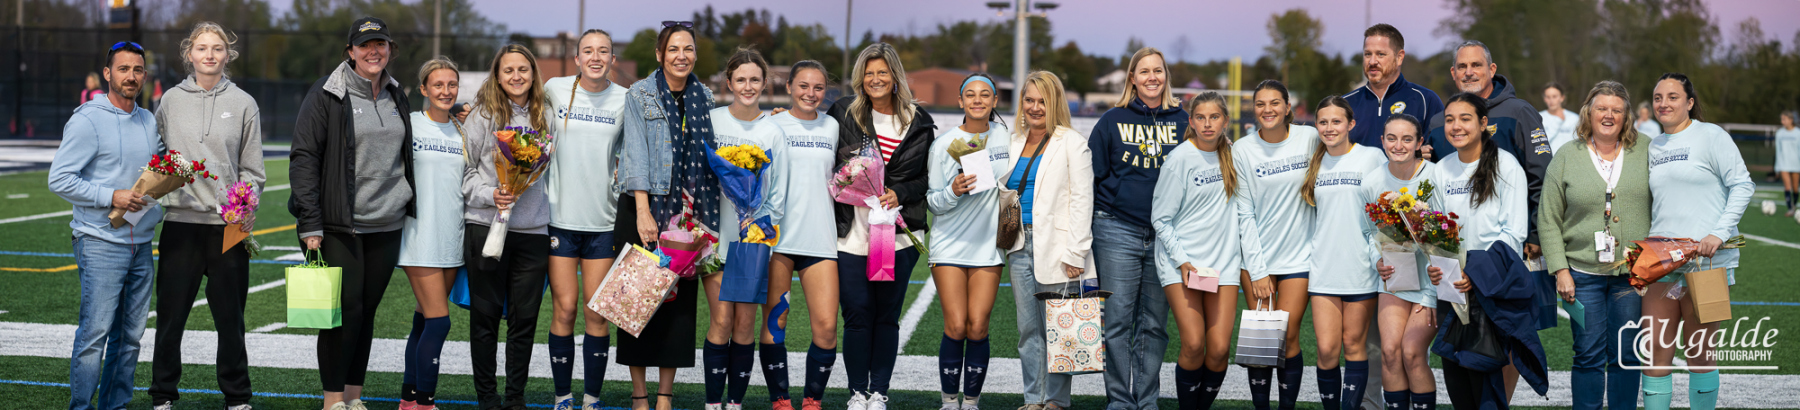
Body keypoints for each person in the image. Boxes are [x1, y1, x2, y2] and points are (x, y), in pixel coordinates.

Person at [288, 17, 416, 410]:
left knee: (367, 312)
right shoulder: (327, 93)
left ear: (390, 49)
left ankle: (354, 397)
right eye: (365, 45)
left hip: (387, 222)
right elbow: (304, 157)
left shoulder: (397, 94)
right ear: (350, 52)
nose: (373, 51)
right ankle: (332, 400)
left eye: (380, 44)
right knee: (343, 311)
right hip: (339, 224)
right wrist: (310, 222)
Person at [148, 22, 265, 410]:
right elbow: (158, 156)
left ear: (227, 55)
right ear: (189, 54)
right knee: (169, 319)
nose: (210, 54)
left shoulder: (245, 102)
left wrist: (243, 206)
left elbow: (253, 170)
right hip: (181, 225)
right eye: (202, 48)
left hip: (228, 229)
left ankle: (237, 397)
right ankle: (163, 394)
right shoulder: (169, 101)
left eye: (217, 48)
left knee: (230, 322)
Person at [826, 42, 937, 410]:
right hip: (852, 233)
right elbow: (824, 159)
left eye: (882, 73)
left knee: (887, 316)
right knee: (857, 313)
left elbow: (925, 178)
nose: (875, 79)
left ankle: (879, 392)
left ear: (894, 77)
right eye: (869, 73)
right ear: (861, 78)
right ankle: (857, 392)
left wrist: (898, 192)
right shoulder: (844, 112)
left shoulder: (918, 121)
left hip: (897, 234)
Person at [49, 40, 160, 410]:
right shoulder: (87, 119)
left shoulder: (147, 119)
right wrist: (110, 196)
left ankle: (115, 405)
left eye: (138, 70)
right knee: (95, 335)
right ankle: (80, 407)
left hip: (141, 245)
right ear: (108, 74)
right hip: (98, 241)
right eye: (124, 69)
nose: (131, 76)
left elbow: (156, 175)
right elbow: (59, 179)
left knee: (130, 338)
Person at [617, 21, 717, 410]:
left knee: (679, 308)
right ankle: (639, 394)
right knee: (639, 305)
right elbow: (635, 154)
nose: (681, 56)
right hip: (645, 209)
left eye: (688, 49)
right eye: (673, 49)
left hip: (687, 215)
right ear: (660, 54)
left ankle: (665, 396)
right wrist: (643, 211)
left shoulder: (704, 96)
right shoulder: (640, 94)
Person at [1640, 73, 1753, 410]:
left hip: (1708, 264)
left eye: (1673, 97)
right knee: (1655, 349)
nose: (1664, 104)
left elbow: (1743, 185)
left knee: (1700, 351)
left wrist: (1718, 233)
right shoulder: (1653, 145)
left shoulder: (1711, 135)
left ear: (1689, 102)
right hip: (1660, 262)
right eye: (1658, 97)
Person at [1539, 80, 1649, 410]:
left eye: (1617, 110)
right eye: (1602, 108)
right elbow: (1548, 217)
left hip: (1632, 277)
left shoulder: (1646, 149)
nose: (1608, 115)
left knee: (1627, 353)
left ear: (1626, 115)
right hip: (1581, 275)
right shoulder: (1567, 155)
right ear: (1588, 111)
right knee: (1587, 354)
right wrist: (1560, 270)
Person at [1087, 47, 1184, 410]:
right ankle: (1119, 400)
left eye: (1158, 70)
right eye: (1144, 72)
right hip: (1116, 230)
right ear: (1132, 78)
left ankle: (1147, 400)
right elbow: (1091, 178)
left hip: (1166, 236)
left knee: (1155, 325)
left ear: (1166, 75)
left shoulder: (1184, 122)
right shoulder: (1112, 120)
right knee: (1117, 322)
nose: (1152, 77)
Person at [461, 43, 555, 410]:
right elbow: (465, 175)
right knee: (485, 319)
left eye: (523, 70)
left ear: (533, 74)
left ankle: (515, 398)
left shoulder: (546, 114)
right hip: (485, 227)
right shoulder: (482, 115)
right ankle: (487, 397)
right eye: (508, 71)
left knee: (524, 321)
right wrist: (491, 194)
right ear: (497, 76)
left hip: (532, 231)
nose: (516, 77)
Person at [1427, 93, 1534, 410]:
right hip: (1453, 291)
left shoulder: (1507, 165)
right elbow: (1436, 233)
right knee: (1458, 386)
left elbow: (1513, 233)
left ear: (1484, 123)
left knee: (1485, 389)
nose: (1455, 126)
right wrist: (1437, 268)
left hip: (1490, 291)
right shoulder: (1441, 170)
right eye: (1449, 119)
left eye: (1465, 118)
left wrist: (1476, 273)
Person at [541, 29, 627, 410]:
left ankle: (591, 399)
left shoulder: (627, 99)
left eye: (603, 51)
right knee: (565, 308)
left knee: (596, 313)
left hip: (603, 221)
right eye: (588, 51)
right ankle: (563, 397)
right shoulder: (554, 89)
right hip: (559, 218)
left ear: (612, 58)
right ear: (576, 59)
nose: (595, 56)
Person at [757, 59, 844, 410]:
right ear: (790, 86)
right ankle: (780, 399)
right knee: (775, 322)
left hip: (820, 240)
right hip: (778, 241)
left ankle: (812, 399)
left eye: (818, 87)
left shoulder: (834, 127)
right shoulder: (770, 124)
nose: (811, 93)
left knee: (825, 327)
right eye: (804, 86)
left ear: (826, 91)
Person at [1153, 91, 1247, 410]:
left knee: (1219, 350)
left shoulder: (1234, 155)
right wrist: (1182, 260)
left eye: (1214, 117)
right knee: (1194, 344)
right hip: (1185, 265)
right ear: (1191, 121)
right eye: (1200, 118)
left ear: (1225, 120)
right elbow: (1160, 218)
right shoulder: (1180, 159)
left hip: (1222, 266)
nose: (1207, 124)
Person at [1007, 71, 1094, 410]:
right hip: (1019, 247)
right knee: (1029, 330)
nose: (1035, 107)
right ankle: (1033, 399)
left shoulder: (1072, 141)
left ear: (1055, 102)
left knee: (1060, 328)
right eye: (1029, 99)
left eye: (1042, 100)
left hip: (1059, 250)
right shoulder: (1014, 140)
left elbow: (1083, 200)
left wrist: (1077, 252)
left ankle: (1056, 400)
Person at [925, 72, 1009, 410]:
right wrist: (953, 191)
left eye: (984, 94)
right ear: (960, 101)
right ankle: (949, 401)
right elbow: (931, 202)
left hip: (989, 245)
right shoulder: (943, 144)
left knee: (978, 326)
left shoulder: (1006, 137)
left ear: (994, 101)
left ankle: (971, 401)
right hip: (949, 244)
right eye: (970, 94)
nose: (977, 100)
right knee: (956, 325)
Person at [1233, 79, 1318, 410]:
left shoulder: (1309, 139)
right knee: (1261, 338)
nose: (1267, 109)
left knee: (1288, 336)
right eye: (1260, 104)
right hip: (1256, 260)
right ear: (1253, 109)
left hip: (1298, 258)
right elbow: (1244, 215)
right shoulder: (1242, 150)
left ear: (1288, 108)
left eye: (1274, 103)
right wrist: (1257, 270)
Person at [704, 48, 781, 410]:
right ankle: (712, 402)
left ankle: (734, 403)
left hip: (751, 241)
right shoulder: (712, 121)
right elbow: (699, 176)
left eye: (754, 79)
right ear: (729, 83)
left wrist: (756, 221)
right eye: (740, 80)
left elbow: (778, 190)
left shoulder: (773, 130)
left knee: (744, 326)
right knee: (720, 320)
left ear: (764, 83)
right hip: (715, 239)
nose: (747, 86)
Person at [1302, 95, 1388, 410]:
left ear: (1351, 124)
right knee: (1326, 349)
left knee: (1354, 344)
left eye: (1336, 121)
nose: (1329, 127)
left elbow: (1401, 191)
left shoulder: (1371, 157)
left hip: (1361, 267)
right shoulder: (1314, 159)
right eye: (1322, 122)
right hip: (1323, 267)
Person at [397, 57, 463, 410]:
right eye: (438, 85)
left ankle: (408, 400)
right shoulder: (409, 126)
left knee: (424, 319)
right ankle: (425, 403)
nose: (445, 91)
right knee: (439, 321)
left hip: (453, 237)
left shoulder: (463, 129)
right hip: (418, 236)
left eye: (451, 85)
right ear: (424, 89)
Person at [1366, 114, 1439, 410]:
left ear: (1420, 143)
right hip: (1396, 277)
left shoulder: (1436, 176)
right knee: (1390, 353)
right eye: (1392, 138)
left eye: (1407, 139)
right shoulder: (1373, 181)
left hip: (1432, 282)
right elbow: (1368, 232)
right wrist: (1377, 260)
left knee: (1411, 352)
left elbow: (1453, 234)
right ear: (1382, 141)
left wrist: (1436, 292)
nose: (1399, 145)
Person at [1344, 23, 1443, 150]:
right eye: (1368, 54)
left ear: (1399, 57)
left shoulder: (1425, 100)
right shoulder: (1345, 104)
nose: (1372, 61)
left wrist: (1418, 156)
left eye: (1381, 54)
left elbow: (1442, 155)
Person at [1540, 82, 1579, 156]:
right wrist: (1558, 121)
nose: (1551, 100)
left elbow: (1579, 143)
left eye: (1554, 96)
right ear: (1544, 99)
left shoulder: (1574, 118)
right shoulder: (1539, 117)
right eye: (1548, 97)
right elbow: (1539, 144)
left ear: (1562, 98)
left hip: (1569, 162)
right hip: (1548, 163)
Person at [1775, 111, 1798, 216]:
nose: (1782, 122)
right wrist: (1777, 167)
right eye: (1781, 119)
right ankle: (1790, 209)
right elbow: (1778, 150)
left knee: (1795, 188)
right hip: (1783, 164)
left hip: (1796, 164)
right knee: (1787, 187)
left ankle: (1794, 205)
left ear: (1791, 120)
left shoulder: (1798, 133)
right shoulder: (1779, 133)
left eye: (1784, 119)